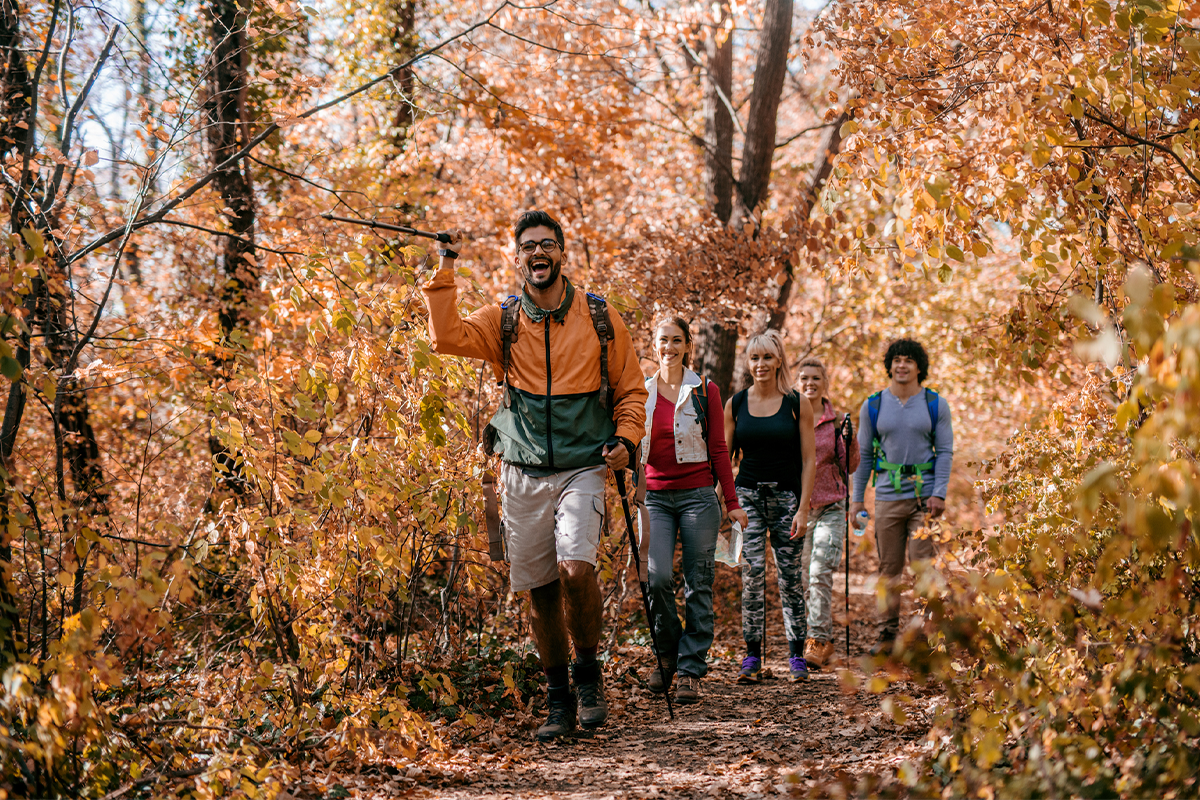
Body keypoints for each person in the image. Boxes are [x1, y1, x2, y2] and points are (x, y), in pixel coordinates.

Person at [422, 210, 647, 741]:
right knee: (541, 590)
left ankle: (589, 678)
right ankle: (558, 699)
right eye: (528, 246)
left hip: (583, 465)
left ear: (562, 253)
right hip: (521, 470)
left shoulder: (598, 317)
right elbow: (446, 337)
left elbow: (632, 390)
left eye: (547, 244)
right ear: (516, 257)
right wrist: (447, 264)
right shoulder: (502, 319)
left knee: (575, 570)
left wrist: (627, 440)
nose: (538, 253)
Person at [639, 316, 749, 705]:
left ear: (688, 346)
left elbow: (719, 449)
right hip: (654, 498)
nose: (669, 347)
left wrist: (732, 503)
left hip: (698, 498)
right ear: (655, 346)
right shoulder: (641, 392)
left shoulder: (705, 390)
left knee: (697, 582)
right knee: (656, 578)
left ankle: (690, 669)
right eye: (662, 340)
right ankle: (668, 653)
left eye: (676, 340)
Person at [849, 338, 953, 656]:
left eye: (909, 360)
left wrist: (939, 493)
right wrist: (856, 500)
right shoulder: (874, 405)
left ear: (919, 366)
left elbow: (945, 451)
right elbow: (863, 454)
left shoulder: (935, 403)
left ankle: (922, 635)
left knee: (923, 566)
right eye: (897, 360)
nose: (902, 365)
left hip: (925, 499)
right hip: (888, 497)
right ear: (890, 365)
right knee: (888, 568)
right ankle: (886, 636)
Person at [724, 330, 816, 683]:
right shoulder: (736, 404)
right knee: (752, 577)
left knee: (791, 579)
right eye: (754, 358)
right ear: (748, 363)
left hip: (786, 500)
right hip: (747, 498)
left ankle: (796, 655)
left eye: (767, 357)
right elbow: (725, 458)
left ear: (779, 360)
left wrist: (804, 508)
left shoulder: (796, 403)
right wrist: (725, 502)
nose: (760, 365)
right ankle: (752, 656)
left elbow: (809, 461)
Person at [796, 358, 859, 671]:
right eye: (804, 378)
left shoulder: (838, 422)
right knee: (804, 575)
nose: (810, 383)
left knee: (819, 570)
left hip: (832, 505)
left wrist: (849, 438)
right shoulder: (789, 416)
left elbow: (850, 466)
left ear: (825, 382)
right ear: (797, 381)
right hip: (799, 509)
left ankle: (817, 641)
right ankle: (819, 640)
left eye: (815, 378)